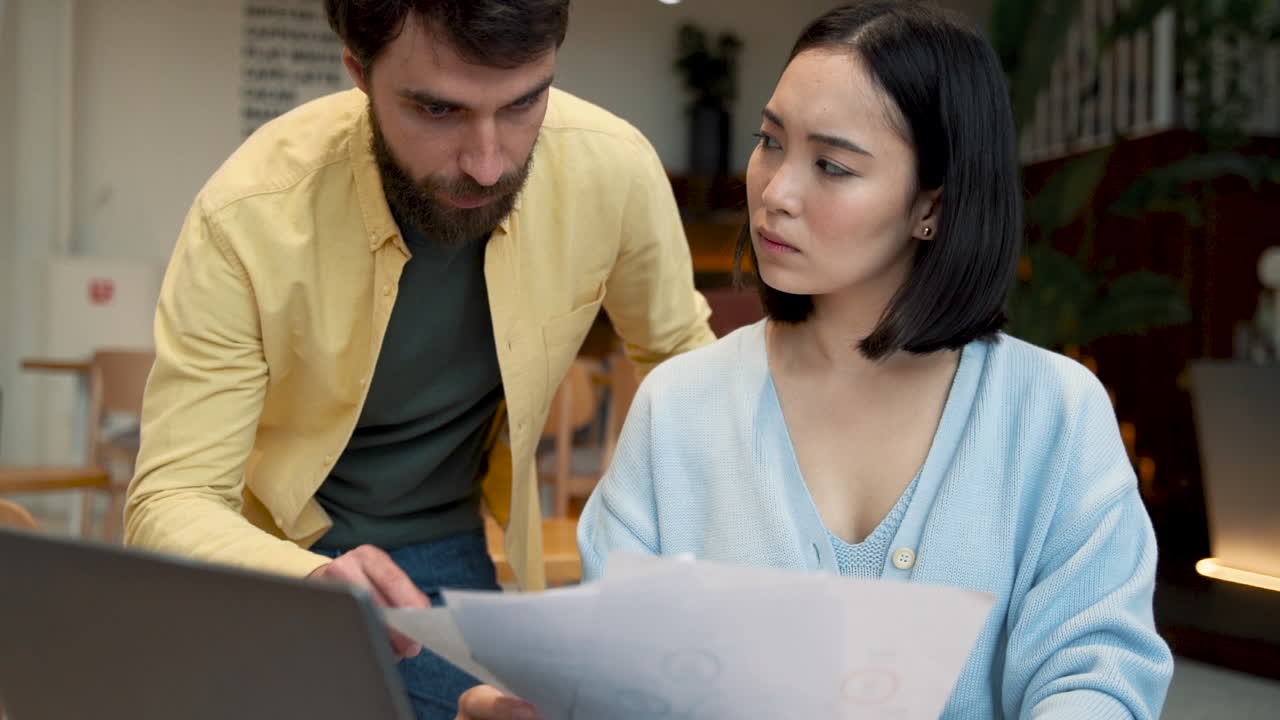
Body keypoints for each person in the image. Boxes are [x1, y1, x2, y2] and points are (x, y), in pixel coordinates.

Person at [461, 2, 1175, 718]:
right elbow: (622, 675)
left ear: (933, 204)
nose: (775, 193)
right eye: (769, 142)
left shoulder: (1052, 411)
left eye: (831, 165)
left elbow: (1094, 677)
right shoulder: (680, 403)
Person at [123, 0, 715, 717]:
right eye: (438, 111)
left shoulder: (611, 168)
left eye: (526, 102)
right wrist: (303, 573)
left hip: (443, 547)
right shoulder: (249, 213)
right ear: (359, 75)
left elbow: (689, 378)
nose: (489, 162)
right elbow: (170, 499)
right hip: (269, 559)